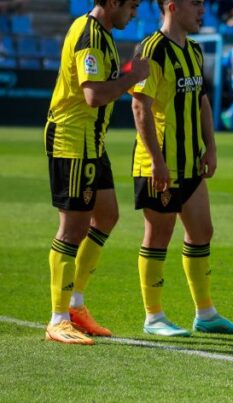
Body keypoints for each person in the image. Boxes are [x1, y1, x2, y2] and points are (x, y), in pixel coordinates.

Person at [130, 0, 233, 337]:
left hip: (191, 162)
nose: (201, 10)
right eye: (195, 3)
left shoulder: (194, 50)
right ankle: (153, 316)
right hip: (160, 164)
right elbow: (141, 107)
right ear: (172, 6)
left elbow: (202, 101)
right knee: (158, 236)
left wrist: (210, 146)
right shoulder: (151, 49)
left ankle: (205, 313)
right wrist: (156, 160)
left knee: (201, 232)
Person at [43, 0, 149, 345]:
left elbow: (104, 82)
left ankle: (74, 304)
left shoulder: (101, 34)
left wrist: (129, 69)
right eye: (131, 6)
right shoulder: (90, 36)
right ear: (113, 3)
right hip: (73, 140)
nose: (133, 14)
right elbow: (93, 95)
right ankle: (58, 319)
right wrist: (133, 76)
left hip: (92, 141)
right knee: (72, 228)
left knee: (106, 216)